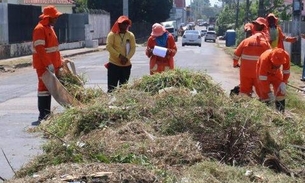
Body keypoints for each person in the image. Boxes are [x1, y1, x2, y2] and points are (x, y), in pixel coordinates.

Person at [32, 5, 63, 125]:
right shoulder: (39, 29)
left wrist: (59, 62)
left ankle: (46, 114)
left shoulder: (49, 28)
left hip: (51, 64)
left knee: (48, 89)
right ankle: (43, 115)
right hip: (43, 65)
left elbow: (54, 49)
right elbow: (40, 49)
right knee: (43, 89)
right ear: (49, 17)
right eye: (55, 16)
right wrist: (48, 64)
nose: (56, 18)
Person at [233, 17, 271, 97]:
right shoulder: (265, 43)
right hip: (259, 73)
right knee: (262, 93)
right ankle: (265, 106)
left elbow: (236, 54)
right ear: (264, 28)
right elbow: (271, 58)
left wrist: (235, 63)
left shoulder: (246, 41)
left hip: (245, 72)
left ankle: (244, 107)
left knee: (244, 92)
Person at [106, 15, 136, 93]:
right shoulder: (112, 34)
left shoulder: (130, 35)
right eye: (124, 23)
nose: (126, 25)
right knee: (112, 88)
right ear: (118, 24)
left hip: (126, 65)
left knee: (124, 89)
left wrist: (127, 58)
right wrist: (119, 56)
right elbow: (109, 47)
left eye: (127, 23)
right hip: (114, 65)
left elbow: (133, 48)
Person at [256, 48, 290, 113]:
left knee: (281, 91)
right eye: (275, 64)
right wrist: (268, 92)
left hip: (276, 73)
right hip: (263, 73)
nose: (277, 66)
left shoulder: (286, 56)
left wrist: (284, 82)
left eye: (279, 65)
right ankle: (266, 114)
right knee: (265, 94)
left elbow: (286, 71)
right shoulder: (264, 59)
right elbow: (263, 79)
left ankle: (280, 114)